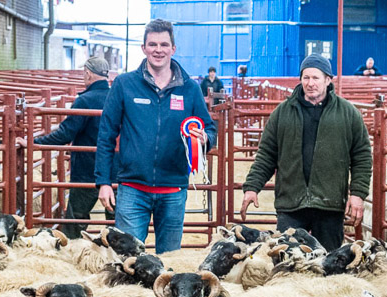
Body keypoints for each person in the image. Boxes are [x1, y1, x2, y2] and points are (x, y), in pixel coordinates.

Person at [95, 19, 217, 254]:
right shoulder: (124, 84)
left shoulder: (190, 88)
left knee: (169, 263)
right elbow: (106, 134)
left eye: (163, 44)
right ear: (143, 48)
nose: (158, 50)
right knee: (126, 261)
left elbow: (210, 129)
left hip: (173, 189)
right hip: (132, 188)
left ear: (173, 48)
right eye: (152, 44)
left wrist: (203, 139)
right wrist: (103, 182)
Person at [240, 53, 371, 252]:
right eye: (306, 77)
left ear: (328, 80)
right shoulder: (282, 113)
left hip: (329, 204)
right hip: (291, 204)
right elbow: (267, 154)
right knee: (288, 261)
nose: (310, 83)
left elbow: (361, 157)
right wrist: (252, 187)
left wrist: (358, 194)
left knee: (328, 262)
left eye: (316, 78)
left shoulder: (348, 114)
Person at [35, 56, 113, 238]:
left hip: (87, 169)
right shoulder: (116, 98)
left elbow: (65, 134)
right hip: (115, 168)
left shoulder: (84, 101)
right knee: (115, 222)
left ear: (87, 73)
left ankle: (72, 253)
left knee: (75, 218)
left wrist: (35, 143)